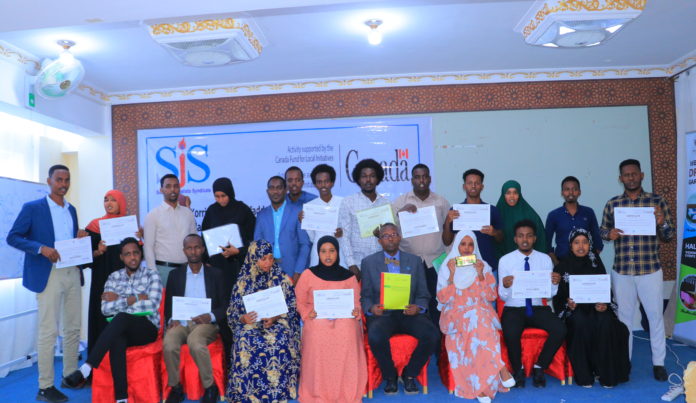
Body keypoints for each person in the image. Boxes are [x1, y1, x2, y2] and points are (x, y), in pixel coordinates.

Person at [7, 164, 87, 403]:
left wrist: (79, 238)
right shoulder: (33, 208)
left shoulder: (71, 209)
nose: (63, 184)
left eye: (67, 180)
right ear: (49, 181)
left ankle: (70, 374)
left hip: (71, 270)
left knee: (73, 327)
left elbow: (68, 241)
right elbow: (13, 237)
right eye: (59, 179)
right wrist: (41, 248)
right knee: (49, 330)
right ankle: (45, 386)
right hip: (47, 273)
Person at [62, 237, 163, 403]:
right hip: (122, 329)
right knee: (117, 338)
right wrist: (134, 298)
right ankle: (121, 399)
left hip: (147, 328)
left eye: (136, 253)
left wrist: (119, 299)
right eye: (128, 254)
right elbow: (105, 309)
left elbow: (151, 305)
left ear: (141, 255)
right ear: (121, 257)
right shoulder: (113, 277)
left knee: (121, 317)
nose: (132, 257)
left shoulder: (152, 275)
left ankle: (87, 368)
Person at [600, 158, 674, 381]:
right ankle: (625, 362)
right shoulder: (613, 204)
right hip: (622, 271)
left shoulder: (656, 201)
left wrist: (661, 222)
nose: (630, 178)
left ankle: (659, 363)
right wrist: (608, 234)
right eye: (626, 175)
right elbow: (602, 231)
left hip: (650, 269)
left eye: (634, 174)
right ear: (620, 178)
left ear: (641, 175)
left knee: (654, 317)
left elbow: (668, 235)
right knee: (624, 319)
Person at [437, 230, 514, 402]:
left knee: (479, 325)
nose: (466, 248)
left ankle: (480, 388)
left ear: (475, 246)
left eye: (470, 244)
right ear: (457, 246)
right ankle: (500, 368)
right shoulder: (447, 266)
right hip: (455, 314)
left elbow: (490, 296)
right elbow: (443, 299)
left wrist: (480, 274)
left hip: (480, 312)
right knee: (478, 321)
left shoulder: (483, 266)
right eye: (462, 244)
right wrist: (451, 275)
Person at [360, 223, 438, 395]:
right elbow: (365, 295)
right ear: (380, 241)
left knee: (432, 334)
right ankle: (390, 376)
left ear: (399, 237)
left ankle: (410, 374)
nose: (390, 238)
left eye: (394, 234)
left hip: (409, 314)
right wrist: (372, 308)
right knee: (375, 335)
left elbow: (423, 293)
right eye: (386, 235)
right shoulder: (368, 262)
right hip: (383, 315)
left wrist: (418, 307)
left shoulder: (415, 261)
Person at [552, 229, 631, 388]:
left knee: (606, 321)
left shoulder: (596, 262)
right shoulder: (563, 266)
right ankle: (585, 375)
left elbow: (605, 291)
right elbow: (558, 297)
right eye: (576, 242)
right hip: (575, 311)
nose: (581, 246)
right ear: (570, 245)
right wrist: (568, 304)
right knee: (580, 322)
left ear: (589, 244)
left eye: (585, 242)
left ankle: (606, 374)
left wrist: (604, 304)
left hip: (597, 308)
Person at [226, 240, 301, 403]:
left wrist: (276, 317)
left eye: (270, 258)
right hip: (250, 324)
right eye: (263, 258)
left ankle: (278, 391)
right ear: (253, 258)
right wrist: (242, 318)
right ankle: (245, 392)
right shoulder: (243, 282)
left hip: (277, 322)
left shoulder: (281, 278)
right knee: (245, 339)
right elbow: (232, 311)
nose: (268, 263)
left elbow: (292, 307)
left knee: (279, 338)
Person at [295, 236, 367, 402]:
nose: (328, 255)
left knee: (348, 329)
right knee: (317, 329)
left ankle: (344, 390)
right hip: (317, 319)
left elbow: (356, 303)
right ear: (318, 253)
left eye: (332, 251)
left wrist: (356, 312)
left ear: (337, 252)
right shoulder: (308, 274)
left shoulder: (349, 276)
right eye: (323, 251)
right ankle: (319, 391)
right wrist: (307, 314)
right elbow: (299, 301)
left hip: (344, 320)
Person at [498, 219, 565, 388]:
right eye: (520, 236)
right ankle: (518, 370)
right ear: (515, 239)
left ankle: (539, 366)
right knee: (510, 332)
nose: (525, 239)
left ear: (535, 238)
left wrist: (554, 283)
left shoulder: (544, 260)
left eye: (529, 236)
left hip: (538, 307)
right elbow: (503, 296)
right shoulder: (505, 261)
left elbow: (549, 294)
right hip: (513, 307)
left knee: (560, 329)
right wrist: (505, 286)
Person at [163, 234, 228, 403]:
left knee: (195, 341)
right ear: (184, 250)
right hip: (181, 322)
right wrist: (171, 319)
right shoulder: (174, 275)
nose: (193, 251)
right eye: (189, 248)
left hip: (206, 323)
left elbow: (225, 306)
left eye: (197, 247)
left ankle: (210, 386)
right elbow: (169, 305)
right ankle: (176, 387)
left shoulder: (216, 274)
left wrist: (210, 315)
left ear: (203, 249)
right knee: (169, 342)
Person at [392, 163, 450, 344]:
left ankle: (438, 345)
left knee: (436, 304)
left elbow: (448, 232)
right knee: (410, 304)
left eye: (424, 176)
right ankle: (415, 342)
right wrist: (400, 214)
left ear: (430, 179)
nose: (421, 180)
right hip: (409, 262)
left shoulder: (441, 202)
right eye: (417, 177)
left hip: (435, 261)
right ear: (412, 180)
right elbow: (389, 231)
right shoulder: (400, 202)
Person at [84, 190, 140, 361]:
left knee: (122, 320)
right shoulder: (94, 227)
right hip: (102, 281)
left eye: (113, 200)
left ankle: (123, 367)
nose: (109, 203)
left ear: (121, 203)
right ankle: (96, 369)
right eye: (106, 200)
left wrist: (139, 239)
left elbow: (137, 256)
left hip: (125, 282)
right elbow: (85, 258)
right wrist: (98, 251)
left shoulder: (129, 226)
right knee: (101, 319)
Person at [201, 177, 256, 293]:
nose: (221, 200)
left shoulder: (243, 210)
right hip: (216, 266)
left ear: (230, 193)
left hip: (238, 266)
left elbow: (252, 238)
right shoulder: (212, 211)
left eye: (223, 196)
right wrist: (206, 261)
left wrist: (239, 251)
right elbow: (204, 238)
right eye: (217, 196)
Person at [339, 159, 391, 279]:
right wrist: (351, 264)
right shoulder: (348, 202)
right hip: (358, 264)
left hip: (382, 264)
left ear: (377, 179)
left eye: (372, 176)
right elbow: (344, 236)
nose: (368, 180)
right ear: (358, 179)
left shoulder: (386, 203)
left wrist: (382, 235)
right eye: (364, 176)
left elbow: (391, 236)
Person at [442, 169, 503, 271]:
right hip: (464, 266)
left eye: (477, 183)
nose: (473, 186)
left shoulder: (492, 210)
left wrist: (494, 232)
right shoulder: (455, 211)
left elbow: (501, 239)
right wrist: (447, 221)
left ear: (482, 187)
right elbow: (446, 242)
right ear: (464, 186)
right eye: (470, 183)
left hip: (487, 265)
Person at [254, 175, 311, 282]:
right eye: (272, 188)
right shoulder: (262, 215)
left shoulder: (297, 212)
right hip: (268, 271)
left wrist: (298, 271)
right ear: (267, 191)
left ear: (285, 190)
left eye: (279, 188)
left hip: (293, 270)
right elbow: (258, 245)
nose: (275, 191)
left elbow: (305, 244)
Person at [143, 173, 197, 284]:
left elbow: (194, 241)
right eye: (168, 186)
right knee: (165, 302)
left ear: (179, 188)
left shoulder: (188, 213)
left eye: (176, 186)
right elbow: (148, 247)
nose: (172, 189)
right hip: (163, 271)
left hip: (186, 270)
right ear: (161, 189)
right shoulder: (153, 215)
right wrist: (153, 274)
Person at [545, 176, 603, 265]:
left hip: (586, 264)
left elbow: (597, 241)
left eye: (574, 189)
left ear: (579, 192)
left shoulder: (588, 212)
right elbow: (546, 243)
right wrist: (556, 262)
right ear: (562, 193)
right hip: (562, 263)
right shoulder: (553, 215)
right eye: (567, 189)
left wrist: (590, 260)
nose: (571, 192)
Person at [300, 164, 346, 267]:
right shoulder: (310, 207)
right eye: (319, 182)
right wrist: (303, 221)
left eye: (326, 181)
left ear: (332, 183)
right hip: (318, 256)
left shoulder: (344, 203)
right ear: (315, 184)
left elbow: (350, 230)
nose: (323, 185)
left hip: (340, 254)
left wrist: (343, 233)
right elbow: (312, 238)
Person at [496, 180, 547, 256]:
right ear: (503, 195)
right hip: (502, 260)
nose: (512, 196)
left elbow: (541, 239)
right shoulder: (496, 214)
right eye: (508, 193)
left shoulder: (530, 214)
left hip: (528, 259)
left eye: (515, 193)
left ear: (519, 194)